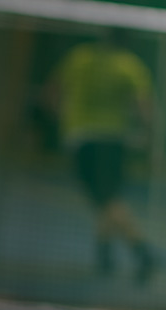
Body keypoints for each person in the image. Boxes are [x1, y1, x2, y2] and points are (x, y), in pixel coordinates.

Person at [48, 29, 155, 285]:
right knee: (108, 198)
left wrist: (64, 120)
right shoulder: (130, 65)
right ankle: (104, 254)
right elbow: (143, 105)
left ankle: (142, 251)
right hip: (115, 142)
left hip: (83, 138)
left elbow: (51, 93)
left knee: (106, 200)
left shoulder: (80, 58)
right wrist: (149, 138)